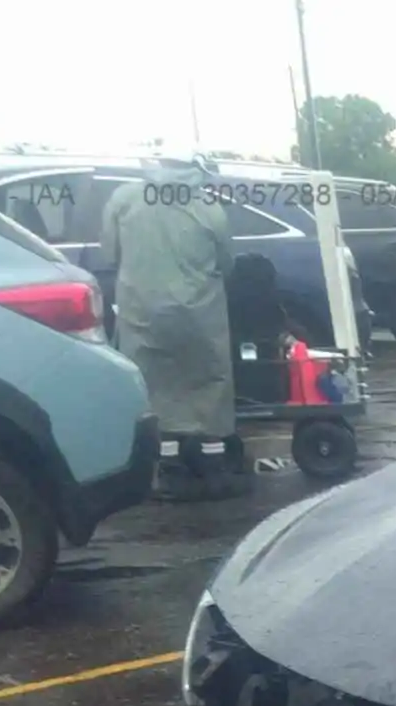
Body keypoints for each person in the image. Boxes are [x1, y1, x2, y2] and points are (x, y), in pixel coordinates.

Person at [100, 155, 242, 500]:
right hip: (199, 314)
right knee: (209, 382)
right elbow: (227, 263)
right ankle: (214, 467)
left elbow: (109, 254)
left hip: (141, 311)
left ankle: (168, 467)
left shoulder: (124, 199)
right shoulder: (209, 209)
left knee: (152, 386)